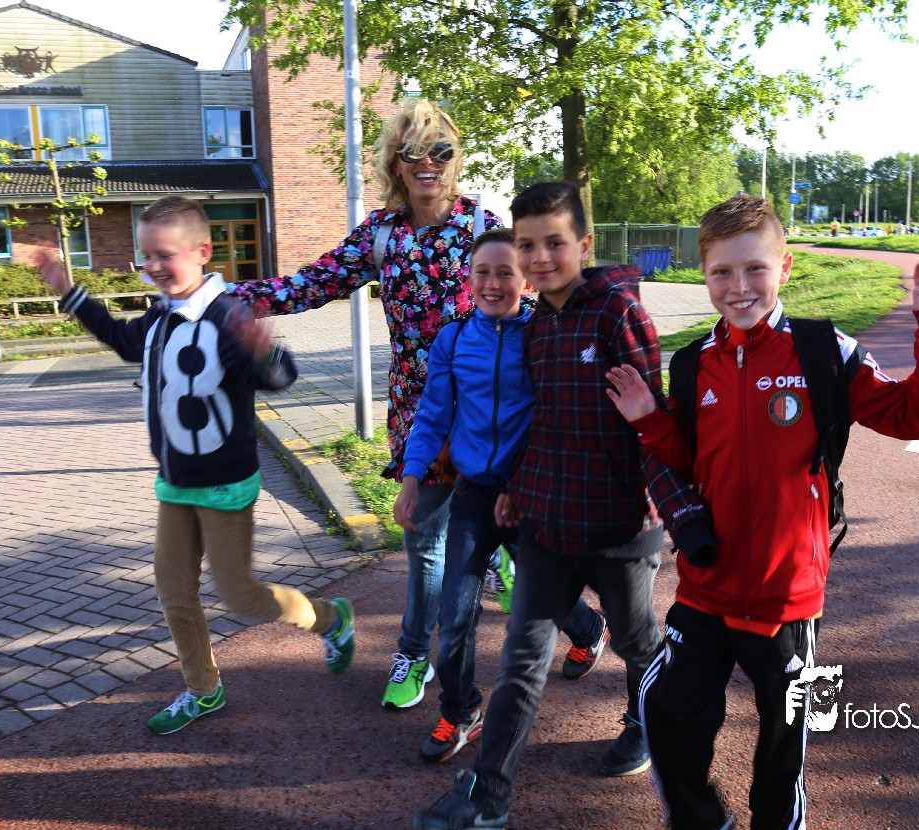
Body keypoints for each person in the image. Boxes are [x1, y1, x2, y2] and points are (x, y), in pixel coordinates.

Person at [605, 194, 919, 830]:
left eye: (755, 268)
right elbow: (692, 460)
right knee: (666, 711)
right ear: (704, 274)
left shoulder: (824, 351)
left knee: (784, 743)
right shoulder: (693, 364)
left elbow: (916, 415)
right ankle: (703, 826)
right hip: (706, 586)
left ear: (785, 267)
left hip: (789, 595)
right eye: (721, 271)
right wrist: (651, 421)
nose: (738, 286)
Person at [414, 182, 715, 830]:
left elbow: (650, 424)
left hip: (619, 527)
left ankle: (646, 724)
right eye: (528, 245)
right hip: (548, 523)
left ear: (583, 244)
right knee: (522, 656)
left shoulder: (617, 315)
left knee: (638, 641)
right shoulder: (538, 328)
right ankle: (487, 799)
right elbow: (544, 422)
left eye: (554, 242)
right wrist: (518, 486)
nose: (540, 257)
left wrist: (683, 519)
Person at [38, 196, 356, 735]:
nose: (154, 267)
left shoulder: (228, 316)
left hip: (224, 485)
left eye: (165, 255)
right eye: (146, 256)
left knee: (241, 595)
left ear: (203, 252)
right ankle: (203, 689)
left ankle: (330, 617)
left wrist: (265, 353)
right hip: (176, 482)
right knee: (174, 594)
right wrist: (69, 291)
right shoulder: (161, 316)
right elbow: (121, 340)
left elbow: (279, 377)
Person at [228, 100, 504, 710]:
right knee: (424, 538)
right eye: (413, 152)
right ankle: (413, 654)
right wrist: (227, 297)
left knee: (515, 534)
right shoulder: (381, 234)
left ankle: (579, 620)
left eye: (440, 151)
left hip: (486, 409)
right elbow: (312, 283)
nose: (428, 163)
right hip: (417, 413)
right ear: (395, 163)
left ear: (455, 159)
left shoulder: (483, 226)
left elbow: (524, 303)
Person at [393, 228, 609, 765]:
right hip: (472, 495)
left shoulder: (541, 335)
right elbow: (434, 414)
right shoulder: (452, 339)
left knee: (543, 591)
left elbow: (556, 417)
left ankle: (589, 628)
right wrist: (413, 476)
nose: (493, 283)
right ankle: (461, 709)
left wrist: (526, 483)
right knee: (456, 610)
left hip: (528, 493)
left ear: (526, 279)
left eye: (505, 273)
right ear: (468, 279)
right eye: (482, 273)